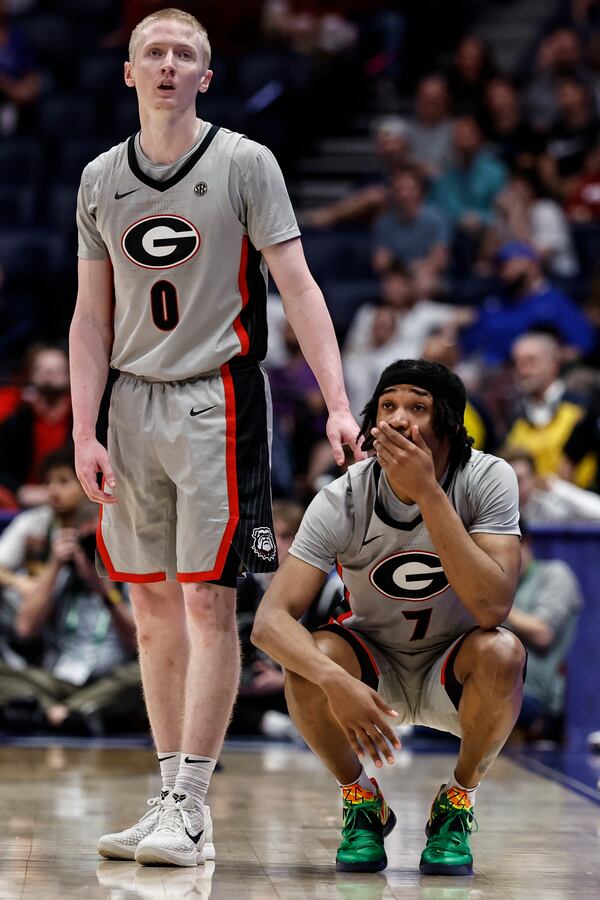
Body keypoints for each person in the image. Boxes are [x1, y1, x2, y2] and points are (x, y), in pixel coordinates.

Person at [70, 7, 363, 869]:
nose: (167, 65)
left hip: (217, 400)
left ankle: (193, 803)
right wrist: (84, 429)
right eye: (153, 53)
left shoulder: (244, 162)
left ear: (207, 74)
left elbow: (300, 289)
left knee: (207, 601)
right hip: (128, 404)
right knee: (151, 607)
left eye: (184, 55)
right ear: (128, 73)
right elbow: (90, 318)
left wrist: (340, 403)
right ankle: (168, 795)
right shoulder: (98, 179)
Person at [252, 358, 525, 876]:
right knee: (312, 656)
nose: (399, 419)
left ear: (446, 423)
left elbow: (493, 606)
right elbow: (269, 623)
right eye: (388, 405)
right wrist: (335, 682)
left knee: (503, 649)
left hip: (456, 666)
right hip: (373, 667)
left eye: (417, 407)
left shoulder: (489, 478)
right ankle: (361, 801)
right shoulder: (341, 497)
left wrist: (428, 493)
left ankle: (457, 803)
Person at [0, 446, 139, 737]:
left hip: (110, 675)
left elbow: (136, 643)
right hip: (60, 675)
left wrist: (105, 591)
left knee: (147, 676)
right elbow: (26, 629)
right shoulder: (62, 560)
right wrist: (54, 567)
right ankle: (73, 712)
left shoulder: (128, 561)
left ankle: (52, 711)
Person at [505, 520, 582, 740]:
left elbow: (543, 632)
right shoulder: (503, 586)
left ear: (526, 543)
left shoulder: (555, 574)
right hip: (495, 690)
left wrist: (492, 606)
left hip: (537, 702)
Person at [505, 332, 595, 486]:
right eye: (517, 363)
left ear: (554, 364)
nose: (522, 370)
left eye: (531, 361)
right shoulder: (515, 417)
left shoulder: (582, 408)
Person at [0, 344, 72, 509]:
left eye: (56, 370)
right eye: (43, 369)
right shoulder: (15, 422)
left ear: (70, 374)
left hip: (76, 498)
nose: (49, 375)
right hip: (24, 500)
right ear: (30, 375)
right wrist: (19, 490)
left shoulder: (90, 421)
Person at [503, 447, 600, 523]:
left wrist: (559, 488)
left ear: (533, 479)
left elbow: (597, 509)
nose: (513, 486)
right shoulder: (495, 512)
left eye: (518, 480)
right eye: (508, 481)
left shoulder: (550, 504)